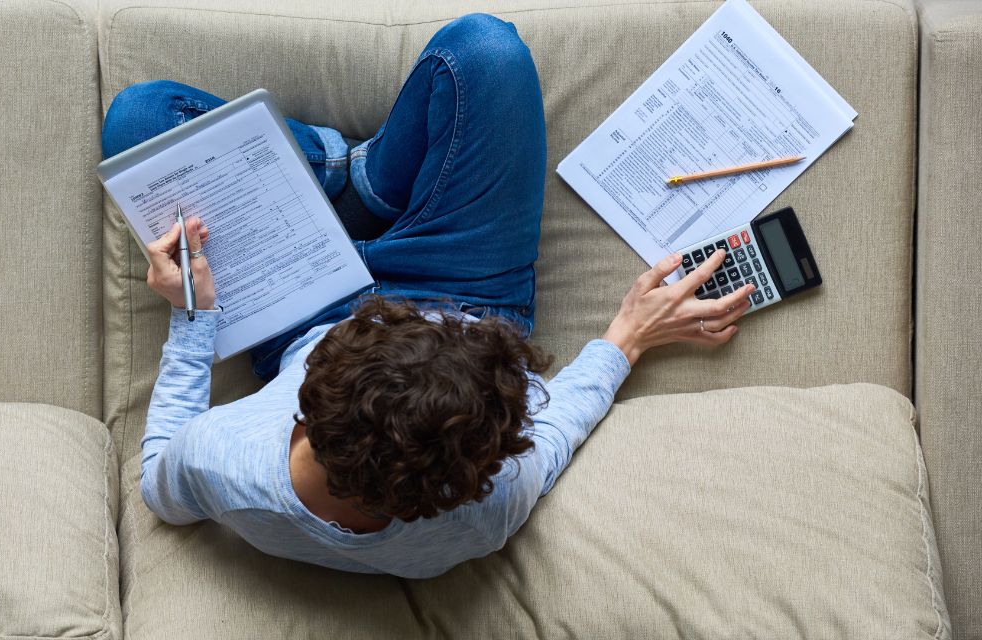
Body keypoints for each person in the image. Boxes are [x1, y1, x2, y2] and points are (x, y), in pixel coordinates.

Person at [101, 13, 754, 578]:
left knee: (140, 121)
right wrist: (629, 337)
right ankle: (365, 181)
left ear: (301, 416)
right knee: (485, 49)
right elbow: (558, 430)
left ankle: (346, 177)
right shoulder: (487, 507)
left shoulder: (225, 462)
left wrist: (193, 314)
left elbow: (158, 480)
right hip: (465, 290)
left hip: (305, 314)